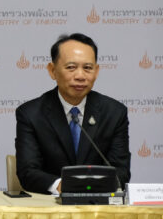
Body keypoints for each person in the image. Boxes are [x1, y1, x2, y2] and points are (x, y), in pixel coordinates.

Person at [15, 33, 130, 194]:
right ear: (52, 70)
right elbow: (28, 172)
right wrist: (64, 186)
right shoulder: (31, 114)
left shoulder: (114, 113)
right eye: (71, 67)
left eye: (87, 68)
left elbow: (121, 171)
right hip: (50, 205)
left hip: (98, 204)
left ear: (96, 71)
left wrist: (90, 186)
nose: (80, 76)